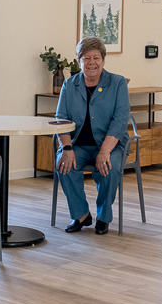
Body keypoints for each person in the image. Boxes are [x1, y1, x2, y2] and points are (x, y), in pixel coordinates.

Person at [53, 37, 130, 235]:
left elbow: (120, 120)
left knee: (109, 168)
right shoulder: (69, 85)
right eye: (86, 58)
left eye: (96, 57)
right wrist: (67, 148)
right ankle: (81, 215)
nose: (91, 62)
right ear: (79, 61)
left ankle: (104, 217)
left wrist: (104, 152)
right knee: (64, 164)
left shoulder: (118, 83)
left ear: (103, 60)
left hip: (110, 145)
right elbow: (61, 119)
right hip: (78, 145)